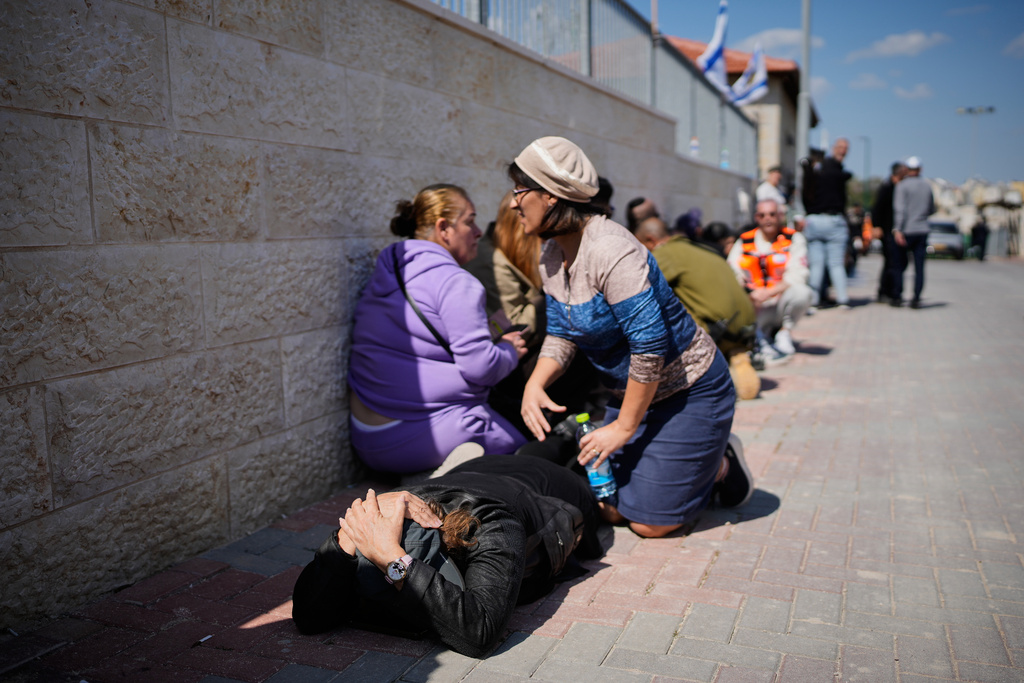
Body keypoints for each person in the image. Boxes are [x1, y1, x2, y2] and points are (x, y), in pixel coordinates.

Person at [509, 136, 753, 539]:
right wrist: (535, 383)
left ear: (551, 196)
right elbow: (562, 333)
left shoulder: (611, 249)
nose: (514, 202)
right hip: (635, 396)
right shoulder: (551, 253)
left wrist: (623, 428)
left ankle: (721, 464)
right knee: (609, 509)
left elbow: (649, 346)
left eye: (520, 190)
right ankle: (685, 461)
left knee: (650, 524)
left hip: (688, 391)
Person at [292, 455, 604, 658]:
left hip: (546, 479)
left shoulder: (492, 525)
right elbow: (307, 618)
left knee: (595, 490)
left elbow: (480, 633)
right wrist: (346, 537)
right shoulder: (386, 511)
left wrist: (391, 558)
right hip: (467, 471)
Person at [348, 184, 528, 473]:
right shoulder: (456, 282)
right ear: (444, 228)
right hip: (423, 436)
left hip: (366, 439)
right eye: (470, 221)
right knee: (530, 460)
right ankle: (441, 477)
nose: (479, 232)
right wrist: (509, 350)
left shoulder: (389, 269)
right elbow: (481, 367)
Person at [634, 217, 760, 401]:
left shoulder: (665, 254)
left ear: (651, 240)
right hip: (745, 327)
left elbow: (639, 287)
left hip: (719, 331)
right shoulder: (700, 249)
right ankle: (734, 358)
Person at [728, 199, 813, 358]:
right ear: (756, 218)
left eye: (772, 214)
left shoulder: (794, 239)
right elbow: (732, 271)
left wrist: (769, 292)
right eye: (763, 215)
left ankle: (784, 332)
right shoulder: (744, 240)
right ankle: (759, 335)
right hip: (753, 302)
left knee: (803, 292)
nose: (768, 218)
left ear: (780, 216)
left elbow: (799, 273)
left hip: (779, 300)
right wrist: (749, 292)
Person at [802, 138, 853, 309]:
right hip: (832, 220)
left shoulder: (814, 173)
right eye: (841, 148)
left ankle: (813, 302)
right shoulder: (836, 172)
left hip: (814, 220)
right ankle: (842, 300)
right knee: (836, 264)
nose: (843, 151)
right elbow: (846, 176)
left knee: (816, 265)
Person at [891, 156, 935, 309]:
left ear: (907, 170)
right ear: (920, 169)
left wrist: (897, 230)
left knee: (899, 266)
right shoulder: (927, 186)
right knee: (919, 268)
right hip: (922, 230)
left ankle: (897, 296)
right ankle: (916, 298)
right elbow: (931, 209)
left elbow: (899, 210)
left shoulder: (902, 186)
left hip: (906, 231)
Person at [871, 162, 906, 303]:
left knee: (895, 263)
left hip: (895, 231)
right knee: (891, 263)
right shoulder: (888, 187)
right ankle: (887, 292)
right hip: (887, 231)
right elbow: (877, 207)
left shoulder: (900, 188)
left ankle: (887, 291)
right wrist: (876, 226)